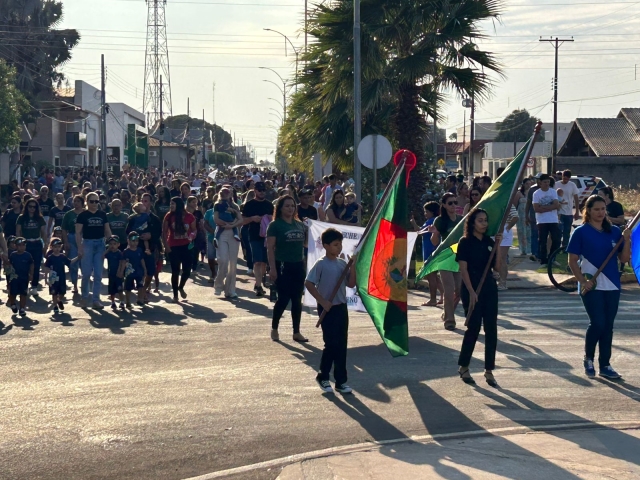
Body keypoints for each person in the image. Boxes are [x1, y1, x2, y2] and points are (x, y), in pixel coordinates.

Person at [567, 195, 631, 380]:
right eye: (596, 209)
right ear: (588, 211)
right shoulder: (580, 232)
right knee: (598, 323)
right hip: (591, 284)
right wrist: (582, 280)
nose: (601, 212)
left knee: (608, 325)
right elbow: (572, 261)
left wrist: (626, 240)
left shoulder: (614, 232)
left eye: (603, 209)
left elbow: (624, 258)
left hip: (612, 284)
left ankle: (605, 365)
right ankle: (588, 358)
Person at [305, 228, 357, 394]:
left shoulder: (342, 264)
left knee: (342, 344)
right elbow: (309, 283)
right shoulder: (321, 264)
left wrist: (353, 267)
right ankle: (323, 376)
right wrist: (322, 301)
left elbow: (351, 284)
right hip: (327, 308)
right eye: (335, 244)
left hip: (341, 307)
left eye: (340, 244)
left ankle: (341, 381)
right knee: (331, 344)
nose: (339, 247)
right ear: (326, 246)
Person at [456, 209, 503, 387]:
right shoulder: (465, 242)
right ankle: (464, 366)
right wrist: (471, 291)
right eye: (480, 220)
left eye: (485, 220)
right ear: (472, 223)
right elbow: (463, 269)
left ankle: (489, 370)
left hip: (489, 288)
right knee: (474, 327)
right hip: (471, 288)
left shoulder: (489, 242)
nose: (484, 224)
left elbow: (497, 268)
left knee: (491, 328)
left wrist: (498, 246)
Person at [267, 196, 308, 343]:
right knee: (283, 299)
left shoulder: (300, 224)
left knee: (297, 300)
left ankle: (296, 332)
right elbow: (270, 248)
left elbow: (305, 244)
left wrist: (310, 229)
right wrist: (272, 268)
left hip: (298, 265)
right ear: (280, 208)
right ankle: (274, 328)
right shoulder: (275, 225)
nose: (290, 208)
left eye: (292, 206)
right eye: (287, 206)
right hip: (283, 265)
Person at [428, 192, 462, 330]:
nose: (453, 205)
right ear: (444, 205)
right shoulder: (440, 220)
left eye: (455, 202)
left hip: (459, 257)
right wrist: (434, 233)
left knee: (459, 290)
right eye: (450, 203)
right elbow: (434, 242)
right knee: (449, 290)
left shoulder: (461, 220)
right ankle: (450, 320)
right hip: (445, 257)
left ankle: (447, 312)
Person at [76, 192, 112, 309]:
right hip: (87, 244)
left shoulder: (102, 214)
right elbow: (78, 233)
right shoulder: (82, 215)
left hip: (100, 244)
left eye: (97, 201)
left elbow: (107, 230)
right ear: (87, 202)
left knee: (98, 274)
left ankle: (96, 300)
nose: (95, 203)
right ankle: (84, 297)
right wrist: (80, 247)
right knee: (86, 273)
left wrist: (111, 242)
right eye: (92, 201)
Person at [162, 197, 197, 302]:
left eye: (173, 204)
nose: (171, 206)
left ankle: (181, 287)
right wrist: (166, 246)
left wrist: (192, 235)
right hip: (173, 246)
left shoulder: (189, 216)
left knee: (187, 271)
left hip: (187, 246)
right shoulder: (169, 216)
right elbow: (164, 232)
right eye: (170, 204)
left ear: (179, 205)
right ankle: (175, 295)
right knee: (175, 271)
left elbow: (194, 230)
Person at [242, 182, 273, 296]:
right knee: (257, 261)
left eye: (264, 190)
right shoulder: (249, 205)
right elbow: (242, 221)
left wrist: (270, 218)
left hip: (267, 236)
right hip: (254, 235)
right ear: (255, 191)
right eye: (260, 190)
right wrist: (252, 219)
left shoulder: (269, 205)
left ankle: (259, 280)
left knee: (264, 262)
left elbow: (274, 220)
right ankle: (259, 285)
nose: (262, 192)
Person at [212, 189, 244, 299]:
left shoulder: (235, 206)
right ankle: (218, 284)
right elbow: (216, 219)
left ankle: (230, 290)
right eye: (223, 193)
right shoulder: (217, 205)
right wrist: (226, 224)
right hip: (221, 232)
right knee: (223, 260)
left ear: (231, 194)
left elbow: (240, 220)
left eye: (227, 193)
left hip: (233, 233)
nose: (225, 195)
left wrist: (232, 225)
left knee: (233, 263)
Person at [411, 201, 443, 307]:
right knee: (435, 276)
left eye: (426, 211)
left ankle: (432, 299)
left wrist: (413, 222)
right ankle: (443, 295)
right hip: (434, 251)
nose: (425, 214)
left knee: (430, 276)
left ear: (431, 212)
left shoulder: (431, 221)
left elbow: (419, 231)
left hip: (429, 251)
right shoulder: (436, 220)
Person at [16, 198, 47, 296]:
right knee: (25, 265)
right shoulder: (21, 217)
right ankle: (24, 286)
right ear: (26, 207)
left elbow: (43, 232)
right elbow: (18, 231)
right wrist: (19, 244)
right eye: (30, 206)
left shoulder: (40, 218)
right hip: (26, 243)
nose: (32, 208)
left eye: (34, 207)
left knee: (36, 266)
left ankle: (34, 286)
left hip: (37, 243)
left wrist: (45, 244)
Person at [44, 238, 78, 314]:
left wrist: (78, 257)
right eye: (55, 247)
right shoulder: (50, 258)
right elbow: (46, 268)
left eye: (58, 247)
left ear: (61, 247)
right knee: (54, 293)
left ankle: (59, 300)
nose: (57, 249)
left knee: (62, 292)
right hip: (53, 278)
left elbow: (70, 261)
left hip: (62, 277)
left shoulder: (62, 256)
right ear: (51, 247)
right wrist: (46, 279)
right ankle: (55, 306)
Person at [532, 174, 561, 266]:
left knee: (556, 239)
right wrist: (551, 207)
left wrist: (543, 207)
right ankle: (543, 260)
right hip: (542, 221)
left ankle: (551, 257)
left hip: (553, 220)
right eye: (545, 182)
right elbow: (536, 208)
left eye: (548, 182)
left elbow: (556, 205)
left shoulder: (553, 192)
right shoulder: (536, 193)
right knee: (542, 241)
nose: (547, 184)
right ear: (540, 183)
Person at [61, 195, 85, 294]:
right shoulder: (68, 214)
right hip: (71, 237)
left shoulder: (86, 213)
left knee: (84, 263)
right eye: (74, 201)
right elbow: (63, 229)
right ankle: (75, 284)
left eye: (78, 201)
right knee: (73, 263)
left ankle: (85, 284)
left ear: (82, 202)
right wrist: (66, 242)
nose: (76, 203)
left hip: (84, 238)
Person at [7, 237, 33, 317]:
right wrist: (8, 276)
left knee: (23, 293)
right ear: (15, 246)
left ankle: (22, 309)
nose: (21, 247)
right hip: (14, 278)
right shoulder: (13, 255)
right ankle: (13, 304)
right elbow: (9, 265)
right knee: (13, 293)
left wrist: (31, 274)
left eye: (23, 245)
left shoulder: (28, 255)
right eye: (19, 245)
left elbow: (31, 265)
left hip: (24, 277)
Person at [555, 170, 581, 247]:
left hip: (568, 212)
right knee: (558, 231)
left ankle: (565, 247)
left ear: (569, 178)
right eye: (564, 178)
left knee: (566, 232)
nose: (565, 180)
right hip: (559, 212)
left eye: (567, 179)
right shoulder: (556, 184)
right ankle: (557, 247)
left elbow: (576, 199)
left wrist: (577, 211)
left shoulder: (572, 185)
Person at [123, 231, 147, 308]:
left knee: (140, 286)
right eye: (133, 241)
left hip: (139, 272)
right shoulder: (126, 251)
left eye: (137, 241)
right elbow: (123, 262)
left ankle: (140, 300)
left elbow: (142, 260)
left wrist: (145, 269)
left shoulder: (139, 250)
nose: (135, 243)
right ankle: (128, 302)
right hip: (129, 273)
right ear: (128, 241)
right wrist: (121, 271)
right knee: (128, 288)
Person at [105, 235, 126, 310]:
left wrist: (121, 272)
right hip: (111, 274)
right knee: (112, 290)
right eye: (110, 244)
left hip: (118, 274)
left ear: (118, 244)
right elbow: (102, 256)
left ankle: (122, 302)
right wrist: (107, 249)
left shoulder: (119, 253)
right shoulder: (109, 253)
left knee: (120, 289)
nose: (112, 246)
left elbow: (122, 263)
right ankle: (113, 302)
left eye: (114, 244)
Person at [515, 178, 532, 256]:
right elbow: (514, 205)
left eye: (529, 184)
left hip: (529, 215)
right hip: (521, 216)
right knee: (522, 232)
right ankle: (523, 249)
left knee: (529, 232)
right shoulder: (519, 193)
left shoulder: (531, 193)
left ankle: (529, 249)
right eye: (527, 184)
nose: (528, 185)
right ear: (523, 184)